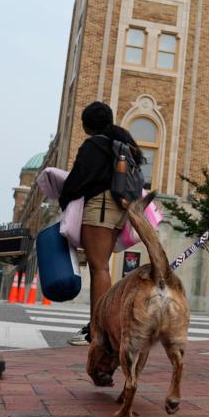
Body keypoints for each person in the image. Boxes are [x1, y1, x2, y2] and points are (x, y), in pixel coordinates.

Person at [58, 101, 141, 345]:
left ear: (86, 124)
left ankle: (99, 331)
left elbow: (79, 177)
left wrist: (64, 199)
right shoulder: (124, 144)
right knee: (101, 266)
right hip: (118, 209)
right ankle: (100, 327)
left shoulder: (95, 145)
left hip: (101, 207)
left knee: (99, 267)